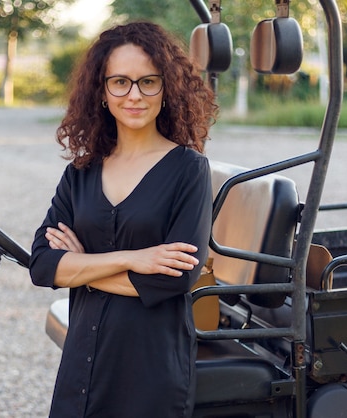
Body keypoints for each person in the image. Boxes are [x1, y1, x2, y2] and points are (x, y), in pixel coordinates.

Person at [29, 21, 218, 418]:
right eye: (120, 82)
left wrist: (80, 267)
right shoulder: (81, 172)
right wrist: (132, 259)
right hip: (82, 359)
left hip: (148, 369)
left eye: (148, 82)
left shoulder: (188, 170)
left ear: (167, 89)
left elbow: (176, 278)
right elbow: (43, 265)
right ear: (101, 91)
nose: (134, 95)